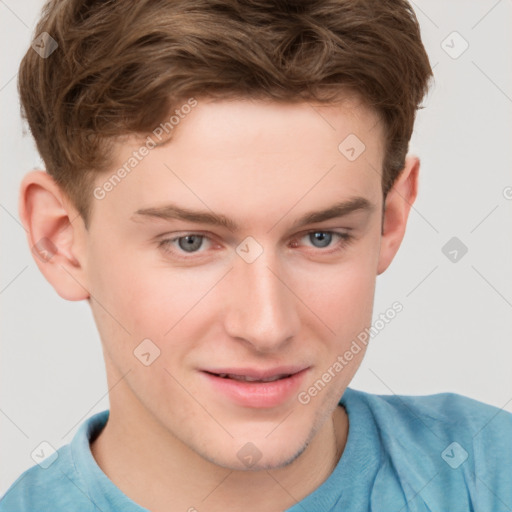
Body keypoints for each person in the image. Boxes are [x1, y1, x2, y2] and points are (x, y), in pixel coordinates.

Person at [1, 0, 511, 510]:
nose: (267, 326)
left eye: (320, 237)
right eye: (190, 243)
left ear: (390, 219)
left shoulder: (488, 470)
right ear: (60, 240)